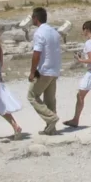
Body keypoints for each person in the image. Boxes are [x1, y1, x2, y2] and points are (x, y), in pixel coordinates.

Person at [27, 7, 62, 136]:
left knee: (31, 95)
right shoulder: (54, 32)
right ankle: (51, 129)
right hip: (55, 69)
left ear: (36, 18)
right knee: (50, 99)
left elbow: (37, 53)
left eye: (32, 17)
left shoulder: (39, 33)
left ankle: (51, 118)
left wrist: (32, 71)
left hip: (45, 70)